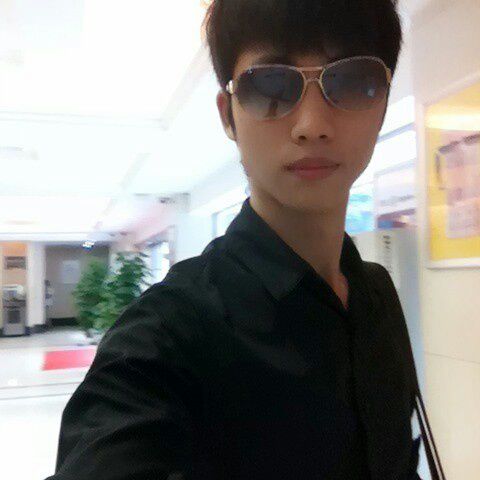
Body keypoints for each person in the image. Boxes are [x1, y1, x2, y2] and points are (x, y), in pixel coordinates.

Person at [47, 1, 422, 479]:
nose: (312, 125)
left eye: (351, 82)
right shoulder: (167, 334)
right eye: (270, 86)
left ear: (383, 103)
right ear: (228, 115)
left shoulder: (378, 295)